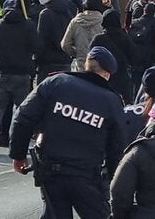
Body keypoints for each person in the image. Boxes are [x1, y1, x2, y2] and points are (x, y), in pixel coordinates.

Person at [9, 47, 126, 219]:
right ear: (107, 74)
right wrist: (113, 178)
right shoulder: (112, 101)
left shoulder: (56, 82)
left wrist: (18, 155)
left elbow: (23, 117)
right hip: (86, 177)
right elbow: (117, 146)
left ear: (85, 66)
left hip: (50, 170)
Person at [0, 0, 40, 155]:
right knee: (21, 109)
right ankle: (15, 139)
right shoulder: (28, 25)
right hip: (22, 73)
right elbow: (36, 47)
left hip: (3, 71)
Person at [89, 8, 136, 102]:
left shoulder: (98, 39)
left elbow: (91, 56)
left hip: (102, 78)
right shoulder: (125, 37)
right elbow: (133, 57)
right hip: (122, 79)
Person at [35, 0, 77, 82]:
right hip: (65, 59)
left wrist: (36, 60)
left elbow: (41, 39)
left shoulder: (45, 14)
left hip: (48, 62)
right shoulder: (68, 10)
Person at [61, 0, 106, 71]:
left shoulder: (76, 21)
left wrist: (77, 54)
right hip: (100, 65)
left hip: (81, 64)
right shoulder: (103, 21)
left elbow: (65, 44)